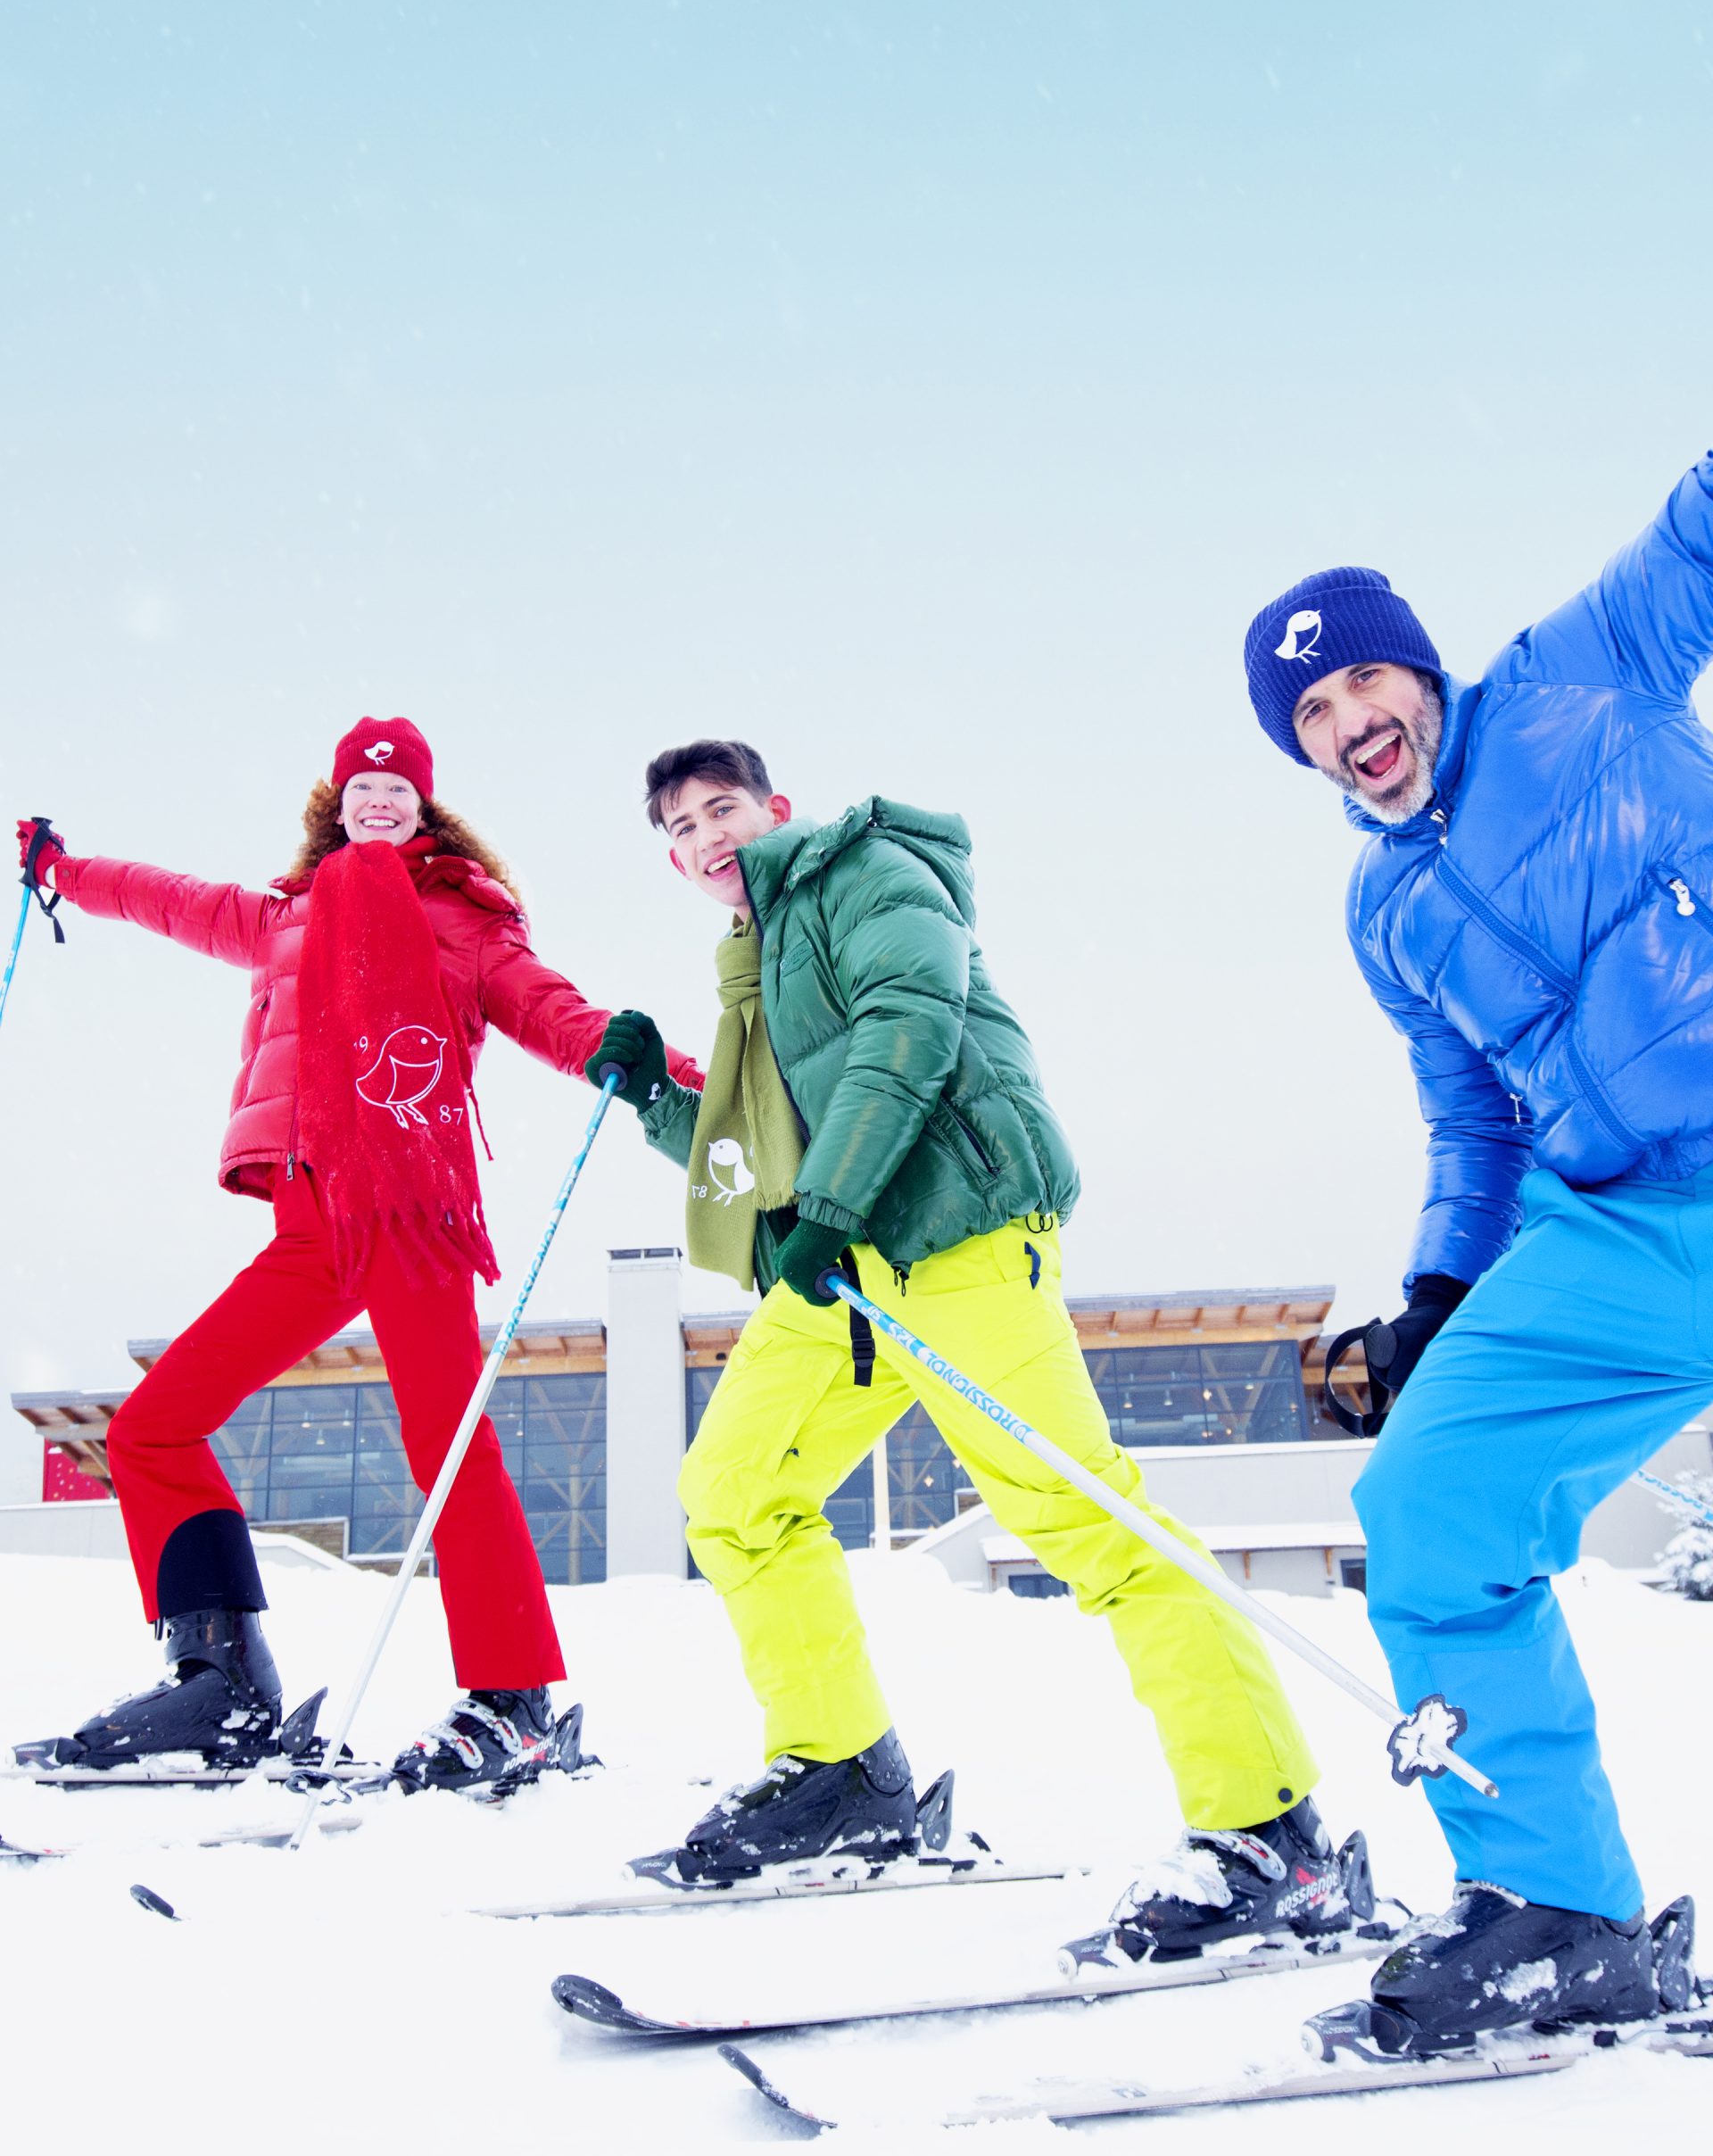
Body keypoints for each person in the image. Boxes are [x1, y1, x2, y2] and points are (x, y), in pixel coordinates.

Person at [591, 737, 1361, 1958]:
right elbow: (766, 1166)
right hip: (849, 1268)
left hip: (953, 1235)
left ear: (774, 809)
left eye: (719, 808)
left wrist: (835, 1207)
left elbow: (912, 1027)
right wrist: (654, 1102)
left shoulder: (865, 869)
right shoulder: (753, 968)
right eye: (677, 831)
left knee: (1088, 1528)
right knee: (732, 1494)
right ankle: (844, 1779)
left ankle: (1274, 1833)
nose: (703, 839)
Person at [1242, 450, 1713, 2053]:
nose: (1349, 721)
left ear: (1418, 665)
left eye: (1365, 678)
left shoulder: (1582, 671)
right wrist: (1442, 1294)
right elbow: (1475, 1126)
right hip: (1617, 1232)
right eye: (1309, 715)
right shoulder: (1386, 912)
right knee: (1427, 1506)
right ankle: (1561, 1910)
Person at [12, 717, 699, 1793]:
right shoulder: (284, 915)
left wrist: (664, 1070)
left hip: (402, 1209)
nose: (378, 799)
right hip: (307, 1217)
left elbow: (550, 1011)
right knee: (152, 1426)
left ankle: (513, 1700)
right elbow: (170, 899)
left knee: (446, 1448)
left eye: (398, 788)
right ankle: (221, 1680)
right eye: (362, 786)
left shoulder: (463, 918)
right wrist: (67, 872)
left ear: (425, 808)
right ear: (335, 802)